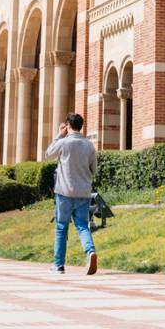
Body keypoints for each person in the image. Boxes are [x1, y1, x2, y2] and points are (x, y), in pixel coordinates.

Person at [45, 113, 98, 276]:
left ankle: (59, 265)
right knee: (82, 226)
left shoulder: (63, 142)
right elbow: (94, 169)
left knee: (61, 227)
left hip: (64, 192)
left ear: (68, 126)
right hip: (83, 192)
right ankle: (90, 252)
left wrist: (59, 134)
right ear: (81, 126)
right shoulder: (89, 145)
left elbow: (48, 154)